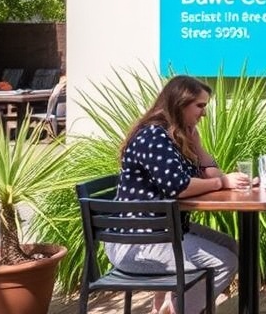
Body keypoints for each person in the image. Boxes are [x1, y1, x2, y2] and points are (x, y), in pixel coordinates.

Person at [107, 75, 250, 314]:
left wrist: (199, 147)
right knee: (225, 262)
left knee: (233, 248)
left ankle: (171, 306)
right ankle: (175, 308)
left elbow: (207, 177)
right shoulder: (153, 136)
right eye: (200, 106)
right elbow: (180, 187)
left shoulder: (175, 136)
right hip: (136, 243)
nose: (204, 113)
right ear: (180, 103)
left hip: (164, 230)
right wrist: (223, 181)